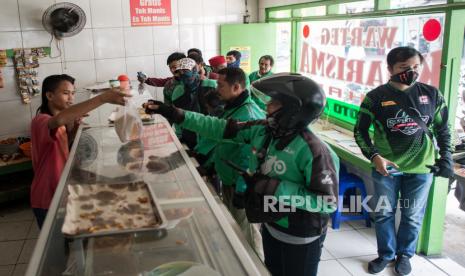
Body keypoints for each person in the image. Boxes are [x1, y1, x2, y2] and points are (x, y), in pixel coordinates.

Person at [144, 73, 339, 276]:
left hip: (301, 235)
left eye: (274, 102)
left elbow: (327, 201)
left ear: (293, 109)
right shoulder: (264, 131)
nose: (267, 107)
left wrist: (275, 188)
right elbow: (218, 128)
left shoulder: (314, 150)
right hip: (271, 224)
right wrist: (176, 114)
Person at [354, 46, 453, 275]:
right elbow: (360, 131)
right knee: (384, 213)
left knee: (413, 215)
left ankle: (404, 255)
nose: (411, 71)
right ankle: (386, 254)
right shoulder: (375, 98)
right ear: (390, 68)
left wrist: (446, 156)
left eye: (416, 67)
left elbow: (443, 129)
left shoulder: (432, 94)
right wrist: (374, 157)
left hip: (422, 167)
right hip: (387, 168)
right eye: (404, 67)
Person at [31, 74, 127, 228]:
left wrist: (73, 129)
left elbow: (61, 147)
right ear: (49, 95)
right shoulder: (40, 121)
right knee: (56, 247)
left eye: (73, 93)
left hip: (62, 191)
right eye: (65, 93)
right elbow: (58, 120)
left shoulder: (61, 123)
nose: (71, 98)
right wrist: (103, 98)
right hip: (47, 197)